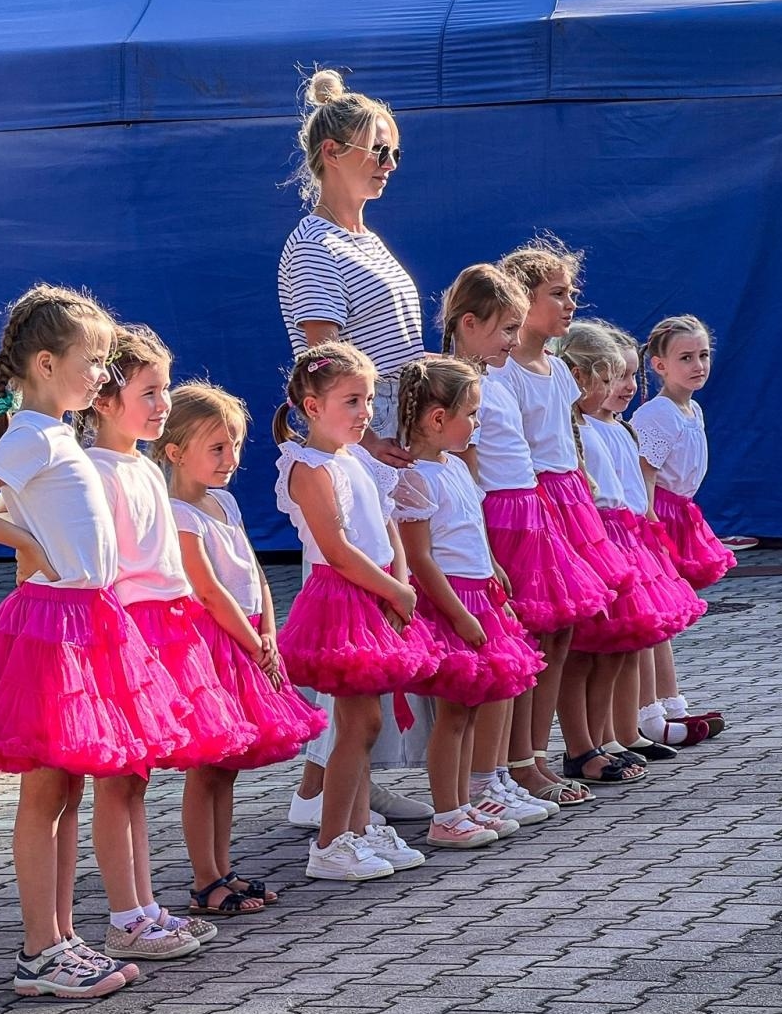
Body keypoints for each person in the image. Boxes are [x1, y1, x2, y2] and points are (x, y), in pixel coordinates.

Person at [0, 285, 191, 999]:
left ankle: (63, 939)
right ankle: (40, 951)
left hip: (86, 619)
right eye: (93, 360)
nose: (102, 374)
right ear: (45, 363)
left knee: (67, 791)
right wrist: (25, 545)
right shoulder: (33, 436)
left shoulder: (54, 436)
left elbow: (35, 510)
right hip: (53, 629)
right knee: (45, 796)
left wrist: (30, 541)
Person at [277, 67, 433, 827]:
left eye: (394, 152)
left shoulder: (363, 238)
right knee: (351, 613)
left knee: (376, 618)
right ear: (333, 151)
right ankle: (328, 794)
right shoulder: (312, 247)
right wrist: (367, 436)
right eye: (377, 149)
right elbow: (325, 358)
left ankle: (328, 788)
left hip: (386, 447)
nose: (387, 163)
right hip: (354, 453)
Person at [82, 324, 257, 961]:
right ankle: (127, 914)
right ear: (104, 398)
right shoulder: (93, 469)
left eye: (163, 391)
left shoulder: (142, 469)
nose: (162, 404)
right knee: (117, 779)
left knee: (136, 781)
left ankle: (146, 906)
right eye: (149, 391)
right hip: (124, 633)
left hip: (165, 631)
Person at [153, 381, 326, 913]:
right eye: (217, 448)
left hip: (249, 638)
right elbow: (207, 589)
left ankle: (223, 867)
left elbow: (253, 573)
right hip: (215, 646)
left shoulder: (224, 501)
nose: (230, 459)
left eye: (233, 446)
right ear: (175, 452)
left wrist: (270, 631)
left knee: (226, 766)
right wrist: (253, 642)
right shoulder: (179, 515)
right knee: (206, 766)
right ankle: (205, 879)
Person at [273, 342, 440, 881]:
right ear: (312, 405)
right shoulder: (307, 466)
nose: (364, 412)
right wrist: (394, 592)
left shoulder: (357, 459)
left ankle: (359, 827)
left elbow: (387, 522)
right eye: (351, 401)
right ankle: (331, 842)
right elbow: (338, 547)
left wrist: (401, 580)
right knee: (358, 723)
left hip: (375, 594)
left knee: (364, 724)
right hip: (341, 600)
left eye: (367, 400)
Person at [441, 263, 591, 811]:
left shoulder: (492, 374)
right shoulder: (468, 380)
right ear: (471, 322)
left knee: (552, 635)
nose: (513, 337)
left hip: (530, 507)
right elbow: (470, 468)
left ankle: (527, 757)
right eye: (507, 327)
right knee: (519, 641)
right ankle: (502, 768)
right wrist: (481, 539)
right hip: (500, 518)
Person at [392, 354, 545, 848]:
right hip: (452, 603)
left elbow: (469, 529)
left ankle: (465, 803)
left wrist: (494, 571)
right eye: (472, 414)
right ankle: (446, 813)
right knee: (454, 712)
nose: (477, 424)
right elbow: (421, 558)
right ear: (439, 419)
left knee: (473, 707)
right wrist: (458, 615)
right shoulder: (416, 478)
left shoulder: (455, 467)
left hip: (479, 594)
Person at [492, 240, 628, 791]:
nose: (570, 303)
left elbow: (562, 434)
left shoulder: (557, 368)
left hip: (568, 500)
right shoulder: (503, 373)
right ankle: (517, 759)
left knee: (564, 632)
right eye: (558, 293)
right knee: (533, 631)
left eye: (570, 291)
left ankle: (539, 752)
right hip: (530, 506)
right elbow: (504, 449)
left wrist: (579, 471)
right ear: (522, 300)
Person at [559, 321, 699, 778]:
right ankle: (583, 745)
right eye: (612, 377)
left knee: (622, 647)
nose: (624, 387)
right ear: (580, 378)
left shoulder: (618, 428)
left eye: (629, 377)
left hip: (628, 538)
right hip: (599, 539)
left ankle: (614, 735)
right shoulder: (579, 429)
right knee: (589, 651)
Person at [632, 314, 734, 744]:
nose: (698, 365)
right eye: (686, 358)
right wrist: (651, 519)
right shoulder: (657, 414)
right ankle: (651, 711)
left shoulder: (691, 408)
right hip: (660, 517)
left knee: (668, 616)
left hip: (681, 512)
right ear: (659, 366)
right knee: (657, 614)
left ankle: (673, 705)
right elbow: (644, 471)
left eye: (703, 355)